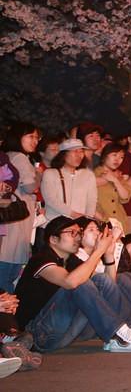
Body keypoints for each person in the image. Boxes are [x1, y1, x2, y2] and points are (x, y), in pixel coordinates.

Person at [15, 216, 131, 353]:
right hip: (40, 334)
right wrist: (98, 252)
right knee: (80, 283)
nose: (77, 238)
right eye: (71, 233)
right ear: (53, 239)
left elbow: (109, 286)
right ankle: (117, 336)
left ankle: (130, 329)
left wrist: (108, 256)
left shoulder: (71, 261)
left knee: (106, 279)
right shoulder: (41, 258)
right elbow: (70, 282)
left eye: (79, 233)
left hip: (68, 332)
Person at [0, 123, 41, 292]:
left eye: (37, 138)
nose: (35, 141)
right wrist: (39, 176)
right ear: (18, 137)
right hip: (15, 222)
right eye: (30, 136)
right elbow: (31, 187)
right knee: (8, 274)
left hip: (9, 220)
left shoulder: (9, 156)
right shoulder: (20, 158)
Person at [41, 138, 98, 221]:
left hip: (79, 224)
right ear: (64, 154)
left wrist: (87, 219)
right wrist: (73, 214)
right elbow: (50, 199)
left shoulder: (88, 175)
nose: (79, 155)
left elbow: (92, 200)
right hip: (55, 223)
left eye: (81, 151)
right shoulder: (50, 173)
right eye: (75, 151)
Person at [93, 143, 131, 229]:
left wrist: (115, 180)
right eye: (114, 155)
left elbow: (125, 197)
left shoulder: (119, 176)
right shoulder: (93, 174)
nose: (118, 160)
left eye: (121, 157)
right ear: (104, 156)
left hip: (120, 223)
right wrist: (103, 219)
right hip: (101, 223)